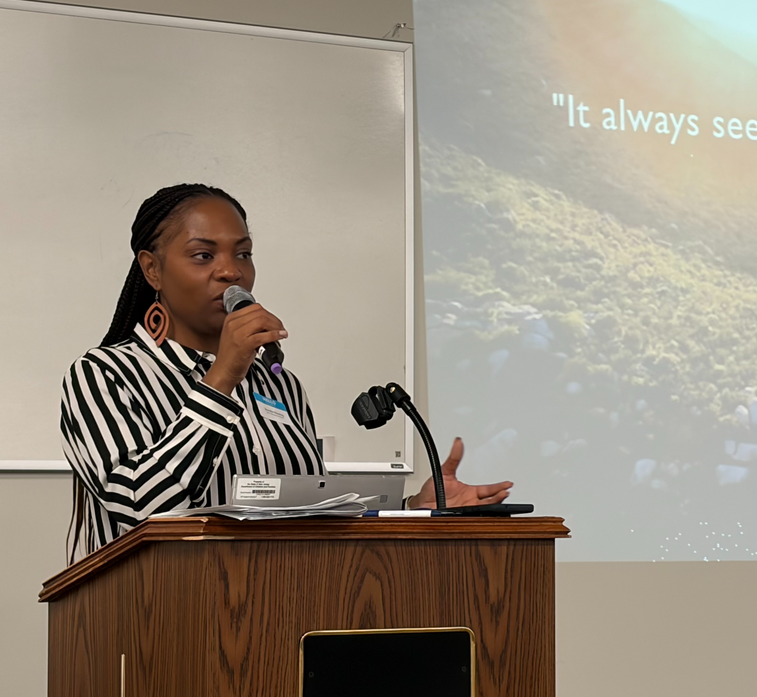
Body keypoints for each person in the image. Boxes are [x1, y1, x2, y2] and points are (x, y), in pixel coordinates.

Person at [60, 183, 512, 562]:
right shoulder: (103, 375)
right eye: (203, 255)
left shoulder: (279, 384)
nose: (231, 272)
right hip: (162, 618)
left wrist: (414, 508)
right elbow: (141, 509)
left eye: (243, 254)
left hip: (286, 612)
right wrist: (221, 379)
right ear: (152, 269)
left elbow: (307, 515)